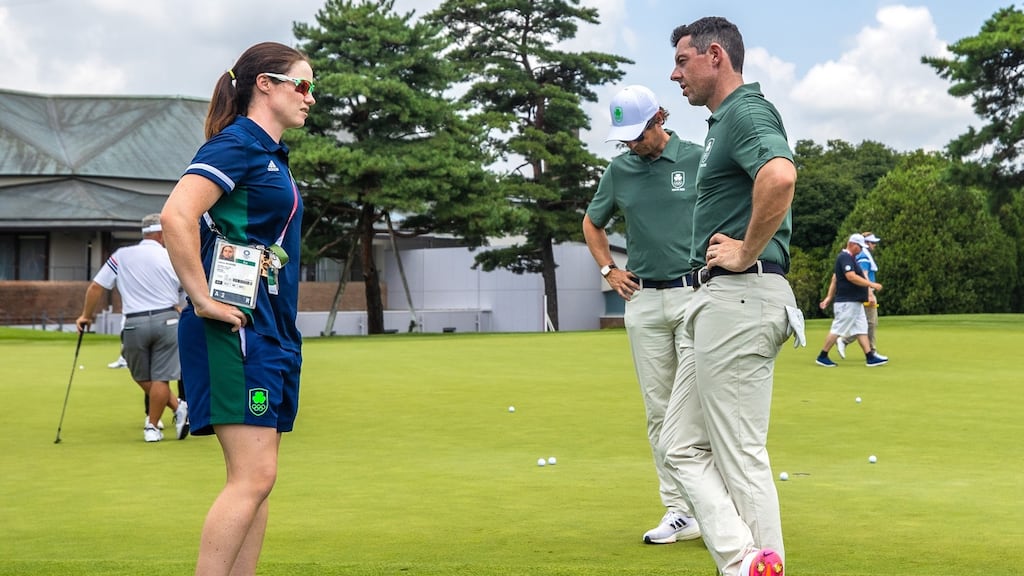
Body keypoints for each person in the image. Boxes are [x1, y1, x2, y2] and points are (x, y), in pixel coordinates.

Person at [161, 41, 313, 576]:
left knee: (260, 478)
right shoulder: (237, 146)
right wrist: (202, 298)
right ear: (265, 84)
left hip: (270, 329)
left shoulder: (272, 156)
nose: (310, 97)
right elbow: (176, 215)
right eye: (302, 84)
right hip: (233, 329)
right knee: (251, 478)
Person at [662, 17, 800, 576]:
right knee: (680, 447)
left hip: (743, 295)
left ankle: (759, 566)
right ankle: (746, 560)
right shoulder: (722, 123)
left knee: (739, 454)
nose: (675, 74)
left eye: (682, 61)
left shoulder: (745, 111)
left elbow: (781, 176)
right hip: (717, 302)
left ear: (715, 55)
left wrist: (744, 250)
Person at [583, 85, 703, 545]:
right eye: (625, 138)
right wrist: (609, 269)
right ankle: (679, 510)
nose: (632, 144)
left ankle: (721, 504)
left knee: (702, 405)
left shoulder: (697, 157)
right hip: (644, 301)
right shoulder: (620, 170)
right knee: (658, 411)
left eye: (638, 134)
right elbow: (592, 222)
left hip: (695, 294)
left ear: (659, 118)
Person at [75, 213, 188, 442]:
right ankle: (178, 407)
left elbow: (96, 287)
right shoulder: (172, 256)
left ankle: (153, 425)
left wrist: (86, 316)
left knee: (143, 375)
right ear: (160, 233)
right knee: (160, 377)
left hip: (133, 322)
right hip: (168, 319)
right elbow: (187, 289)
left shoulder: (122, 255)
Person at [816, 234, 888, 367]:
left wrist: (828, 298)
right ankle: (822, 356)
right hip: (847, 302)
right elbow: (851, 277)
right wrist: (871, 284)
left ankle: (870, 357)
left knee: (861, 329)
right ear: (853, 244)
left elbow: (836, 278)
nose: (861, 250)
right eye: (860, 247)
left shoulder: (851, 258)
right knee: (838, 328)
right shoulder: (845, 257)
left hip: (855, 301)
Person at [837, 232, 886, 360]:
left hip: (864, 292)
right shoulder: (864, 257)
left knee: (864, 323)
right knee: (870, 322)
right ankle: (869, 351)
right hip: (866, 292)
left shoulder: (860, 256)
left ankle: (846, 341)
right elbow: (864, 275)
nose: (874, 245)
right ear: (867, 244)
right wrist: (870, 293)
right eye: (872, 243)